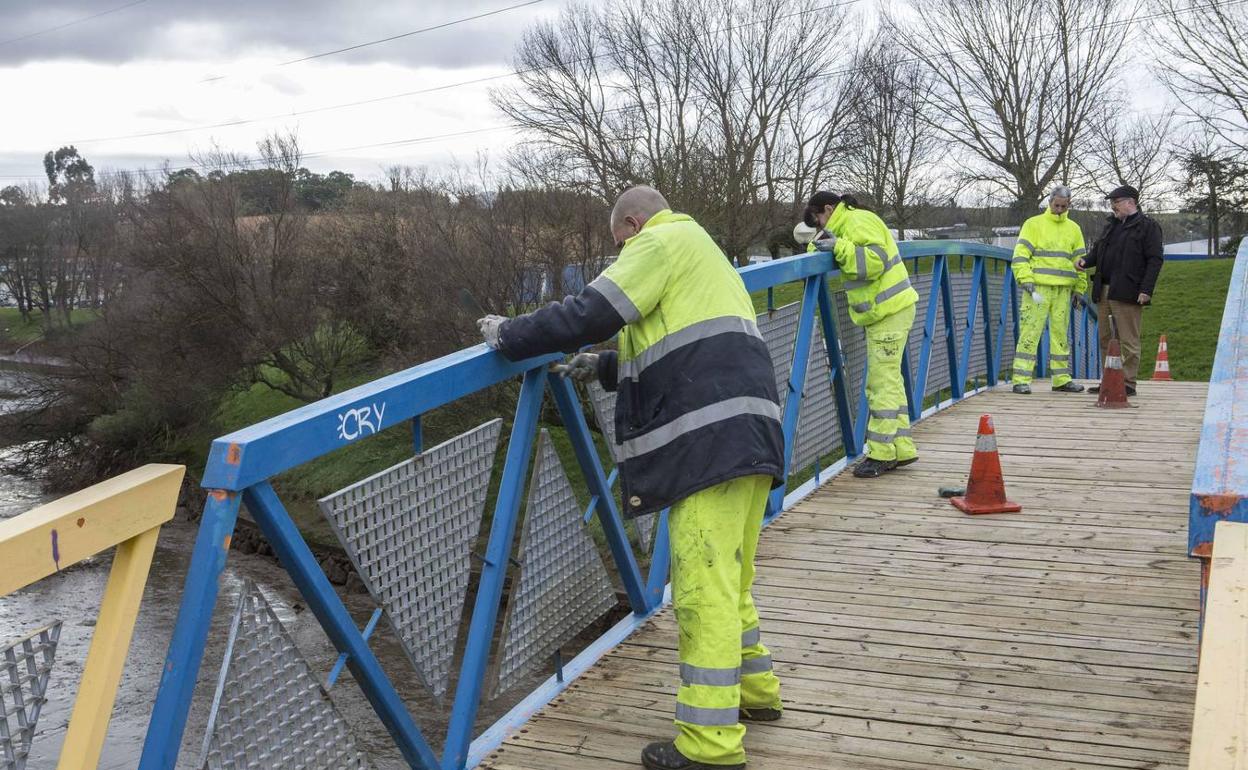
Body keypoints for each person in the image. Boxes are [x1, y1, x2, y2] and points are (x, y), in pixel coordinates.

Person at [477, 186, 785, 770]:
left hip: (708, 445)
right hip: (748, 433)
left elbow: (588, 312)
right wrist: (607, 366)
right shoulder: (704, 249)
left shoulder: (657, 242)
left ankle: (710, 745)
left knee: (701, 593)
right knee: (732, 578)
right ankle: (757, 694)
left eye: (620, 244)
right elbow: (683, 345)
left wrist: (508, 334)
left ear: (633, 224)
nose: (621, 254)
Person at [803, 190, 920, 478]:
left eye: (818, 220)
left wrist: (839, 247)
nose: (820, 226)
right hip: (887, 312)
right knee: (889, 381)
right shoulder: (845, 228)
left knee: (881, 385)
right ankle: (901, 448)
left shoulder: (857, 223)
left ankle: (880, 454)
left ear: (828, 209)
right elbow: (826, 251)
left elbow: (874, 262)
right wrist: (819, 245)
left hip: (889, 312)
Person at [1076, 185, 1164, 397]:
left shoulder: (1148, 227)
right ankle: (1109, 380)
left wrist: (1146, 290)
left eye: (1115, 202)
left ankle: (1128, 383)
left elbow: (1155, 260)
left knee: (1128, 340)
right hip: (1103, 289)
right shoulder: (1111, 226)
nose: (1113, 207)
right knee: (1105, 339)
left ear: (1130, 202)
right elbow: (1098, 251)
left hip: (1129, 290)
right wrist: (1085, 261)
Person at [1009, 186, 1089, 394]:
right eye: (1057, 205)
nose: (1060, 209)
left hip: (1063, 290)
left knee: (1060, 334)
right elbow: (1020, 255)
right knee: (1030, 331)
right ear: (1050, 202)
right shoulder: (1033, 224)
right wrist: (1025, 278)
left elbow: (1080, 261)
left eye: (1064, 206)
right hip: (1038, 288)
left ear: (1069, 204)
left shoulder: (1074, 229)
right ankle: (1021, 379)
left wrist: (1080, 288)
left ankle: (1061, 379)